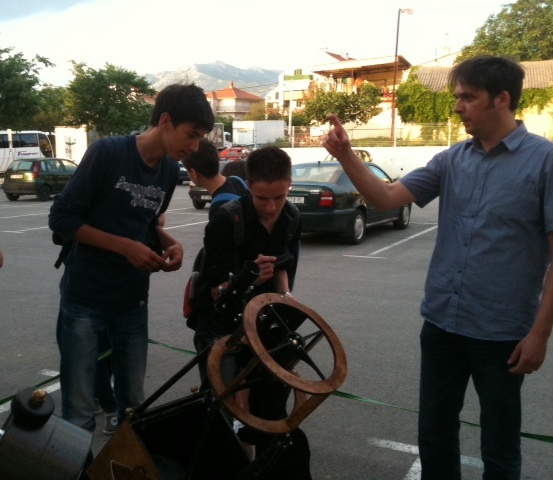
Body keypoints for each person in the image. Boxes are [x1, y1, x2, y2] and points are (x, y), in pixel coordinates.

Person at [323, 55, 553, 480]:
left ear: (502, 99)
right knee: (434, 432)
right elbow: (386, 198)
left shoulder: (545, 162)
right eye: (457, 97)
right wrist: (346, 156)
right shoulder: (451, 160)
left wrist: (539, 334)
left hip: (503, 333)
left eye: (468, 97)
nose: (458, 107)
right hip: (443, 325)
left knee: (500, 445)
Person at [49, 83, 215, 432]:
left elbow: (146, 223)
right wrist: (126, 247)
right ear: (165, 121)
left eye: (200, 138)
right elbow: (62, 218)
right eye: (191, 135)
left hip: (133, 301)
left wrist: (170, 242)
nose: (194, 147)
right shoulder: (108, 152)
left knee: (133, 409)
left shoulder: (168, 170)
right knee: (79, 411)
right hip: (85, 297)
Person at [183, 138, 248, 219]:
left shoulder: (218, 210)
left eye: (187, 171)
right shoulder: (238, 181)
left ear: (194, 173)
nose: (188, 175)